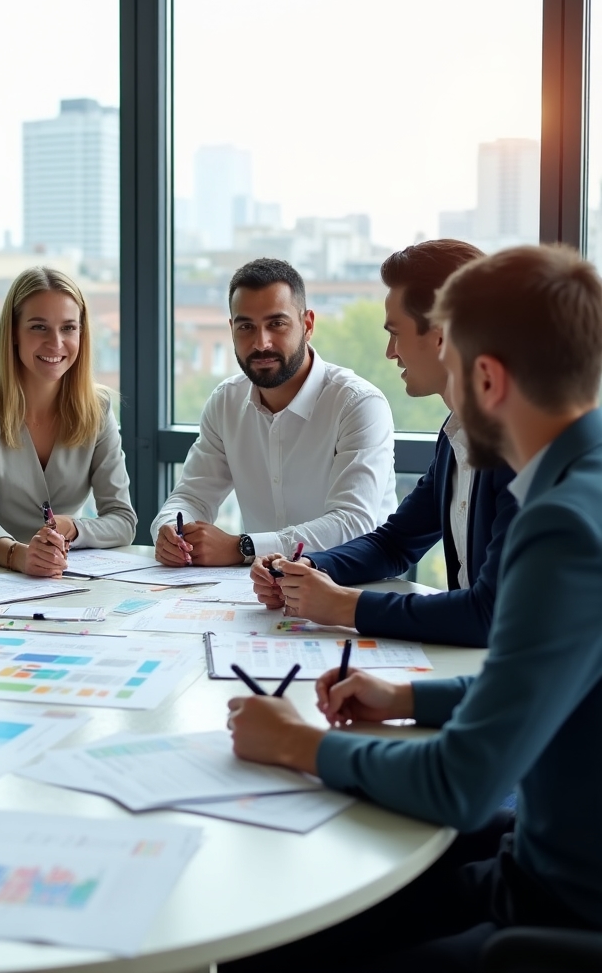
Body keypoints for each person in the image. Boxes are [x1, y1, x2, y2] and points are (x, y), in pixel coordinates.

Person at [225, 244, 602, 971]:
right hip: (542, 858)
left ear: (487, 378)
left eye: (454, 368)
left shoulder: (561, 524)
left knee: (270, 944)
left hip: (554, 902)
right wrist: (404, 694)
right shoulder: (579, 485)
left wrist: (294, 743)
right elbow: (541, 681)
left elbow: (461, 786)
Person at [250, 240, 517, 647]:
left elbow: (489, 613)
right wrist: (305, 568)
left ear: (443, 335)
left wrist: (343, 606)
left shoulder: (519, 448)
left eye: (396, 334)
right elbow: (394, 543)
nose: (391, 352)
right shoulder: (456, 437)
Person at [152, 257, 396, 568]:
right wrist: (171, 530)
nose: (261, 342)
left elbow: (352, 523)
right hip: (263, 591)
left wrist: (243, 547)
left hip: (354, 590)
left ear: (307, 325)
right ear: (231, 330)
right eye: (246, 327)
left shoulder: (358, 403)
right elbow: (193, 496)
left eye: (276, 324)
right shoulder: (226, 401)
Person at [0, 266, 136, 577]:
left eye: (68, 328)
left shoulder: (98, 408)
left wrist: (72, 528)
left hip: (61, 574)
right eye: (39, 327)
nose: (56, 343)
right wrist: (18, 555)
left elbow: (122, 519)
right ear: (13, 332)